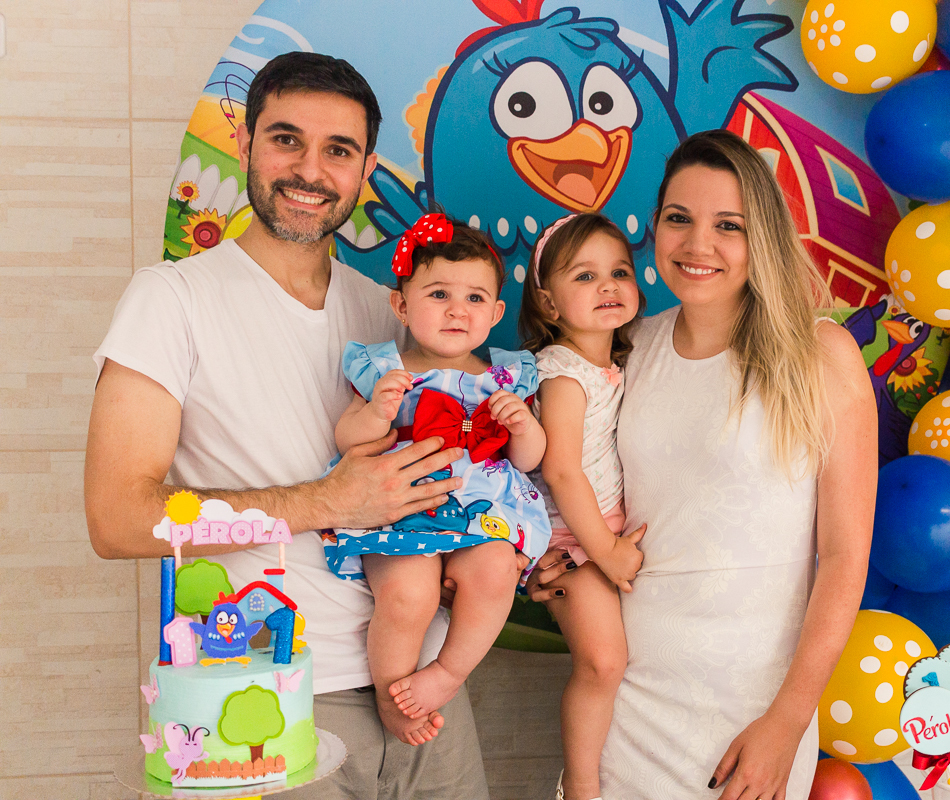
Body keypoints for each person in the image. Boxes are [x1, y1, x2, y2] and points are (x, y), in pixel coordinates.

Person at [85, 52, 489, 799]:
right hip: (259, 703)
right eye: (285, 139)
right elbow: (116, 519)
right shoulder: (171, 300)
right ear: (245, 146)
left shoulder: (393, 311)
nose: (310, 169)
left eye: (337, 150)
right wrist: (328, 502)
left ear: (365, 168)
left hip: (423, 695)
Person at [529, 130, 876, 800]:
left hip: (750, 707)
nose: (697, 246)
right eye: (679, 219)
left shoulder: (820, 354)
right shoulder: (629, 349)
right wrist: (562, 559)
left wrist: (788, 720)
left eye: (728, 226)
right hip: (625, 694)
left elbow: (844, 557)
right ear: (654, 226)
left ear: (764, 236)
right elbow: (581, 482)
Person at [326, 213, 550, 745]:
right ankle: (390, 693)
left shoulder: (506, 375)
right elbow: (348, 441)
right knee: (408, 595)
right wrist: (377, 411)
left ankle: (447, 673)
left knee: (495, 571)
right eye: (438, 294)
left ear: (496, 312)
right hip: (401, 504)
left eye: (475, 299)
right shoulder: (385, 370)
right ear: (401, 305)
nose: (457, 309)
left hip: (483, 509)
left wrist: (523, 426)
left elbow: (529, 460)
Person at [517, 213, 647, 800]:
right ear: (548, 301)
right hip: (571, 542)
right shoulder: (562, 372)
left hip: (601, 536)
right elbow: (562, 469)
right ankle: (582, 787)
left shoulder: (617, 365)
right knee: (602, 662)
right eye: (586, 275)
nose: (608, 286)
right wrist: (607, 552)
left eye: (619, 272)